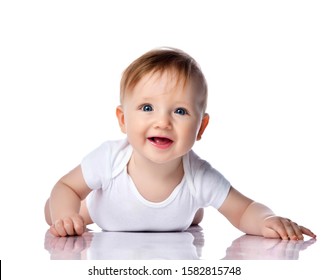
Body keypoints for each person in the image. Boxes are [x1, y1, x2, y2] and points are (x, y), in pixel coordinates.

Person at [44, 47, 316, 240]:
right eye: (147, 107)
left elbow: (244, 210)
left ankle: (190, 211)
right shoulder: (110, 159)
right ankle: (189, 211)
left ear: (201, 128)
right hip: (109, 210)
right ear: (123, 119)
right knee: (58, 211)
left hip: (177, 217)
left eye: (180, 111)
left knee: (192, 212)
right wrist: (65, 215)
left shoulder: (199, 175)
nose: (163, 122)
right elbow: (66, 186)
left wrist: (267, 220)